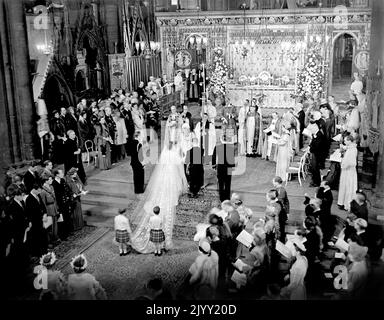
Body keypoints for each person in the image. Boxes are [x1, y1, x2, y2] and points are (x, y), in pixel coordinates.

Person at [129, 119, 188, 253]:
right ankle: (164, 242)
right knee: (170, 190)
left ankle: (160, 245)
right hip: (170, 172)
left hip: (166, 170)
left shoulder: (167, 148)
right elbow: (178, 162)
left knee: (166, 188)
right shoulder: (173, 148)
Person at [25, 183, 48, 257]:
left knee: (43, 235)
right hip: (35, 221)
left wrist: (44, 214)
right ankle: (38, 252)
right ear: (34, 190)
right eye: (38, 190)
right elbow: (30, 212)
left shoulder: (38, 196)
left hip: (41, 220)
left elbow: (43, 206)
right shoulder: (29, 199)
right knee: (37, 237)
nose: (40, 192)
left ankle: (44, 249)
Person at [212, 133, 236, 202]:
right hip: (228, 168)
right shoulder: (231, 147)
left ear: (221, 139)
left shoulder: (217, 146)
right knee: (228, 182)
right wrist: (232, 166)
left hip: (221, 167)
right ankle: (227, 197)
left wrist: (214, 165)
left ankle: (221, 197)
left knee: (221, 183)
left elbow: (213, 157)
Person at [338, 135, 358, 211]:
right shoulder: (350, 147)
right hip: (346, 171)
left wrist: (343, 164)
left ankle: (347, 204)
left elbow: (352, 162)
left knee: (349, 187)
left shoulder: (353, 149)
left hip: (349, 171)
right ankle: (342, 202)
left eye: (346, 141)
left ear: (350, 141)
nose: (344, 142)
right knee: (344, 186)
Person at [40, 173, 60, 245]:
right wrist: (45, 213)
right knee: (50, 227)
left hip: (54, 208)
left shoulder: (51, 187)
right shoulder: (43, 191)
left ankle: (55, 238)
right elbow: (43, 204)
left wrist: (57, 208)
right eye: (50, 179)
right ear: (46, 181)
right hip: (48, 210)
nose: (52, 180)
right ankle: (50, 241)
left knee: (55, 225)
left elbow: (55, 199)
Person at [308, 122, 327, 187]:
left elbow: (317, 146)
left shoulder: (319, 135)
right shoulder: (316, 134)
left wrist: (311, 147)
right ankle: (315, 181)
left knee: (315, 169)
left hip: (317, 154)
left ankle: (317, 182)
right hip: (315, 154)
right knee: (314, 169)